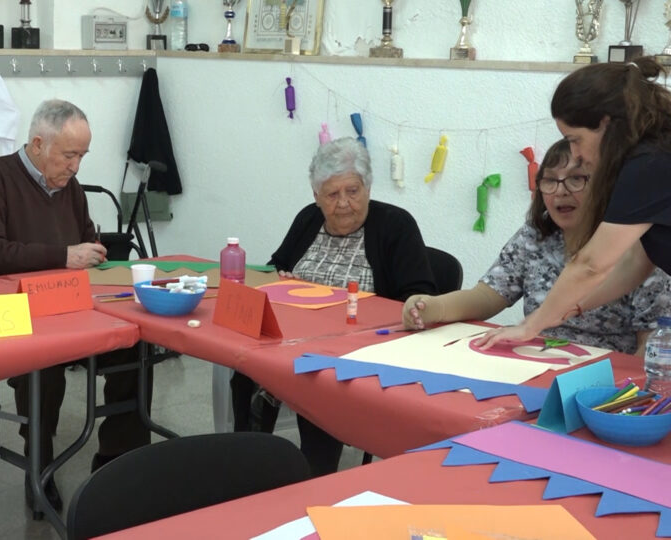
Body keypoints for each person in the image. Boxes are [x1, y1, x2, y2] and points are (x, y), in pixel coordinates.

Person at [0, 99, 150, 510]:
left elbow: (84, 241)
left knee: (133, 341)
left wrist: (94, 252)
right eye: (69, 155)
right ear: (37, 145)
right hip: (11, 311)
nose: (76, 166)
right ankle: (40, 466)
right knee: (45, 362)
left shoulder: (71, 188)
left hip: (67, 306)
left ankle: (119, 458)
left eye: (82, 155)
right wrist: (63, 256)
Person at [230, 137, 438, 476]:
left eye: (352, 191)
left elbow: (418, 298)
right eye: (331, 194)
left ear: (368, 188)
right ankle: (248, 467)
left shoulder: (395, 225)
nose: (343, 203)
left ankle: (315, 477)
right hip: (293, 339)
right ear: (316, 196)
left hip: (358, 348)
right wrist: (281, 277)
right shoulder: (308, 219)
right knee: (248, 367)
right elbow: (274, 269)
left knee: (318, 381)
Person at [403, 139, 671, 355]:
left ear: (605, 187)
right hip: (533, 362)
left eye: (577, 178)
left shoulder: (639, 246)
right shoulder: (534, 235)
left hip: (603, 379)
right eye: (550, 180)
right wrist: (433, 307)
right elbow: (486, 296)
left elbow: (653, 342)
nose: (560, 191)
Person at [479, 56, 671, 349]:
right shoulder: (650, 156)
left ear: (605, 124)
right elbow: (637, 262)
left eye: (574, 139)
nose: (576, 153)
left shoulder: (649, 164)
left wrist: (532, 325)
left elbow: (592, 264)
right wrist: (574, 307)